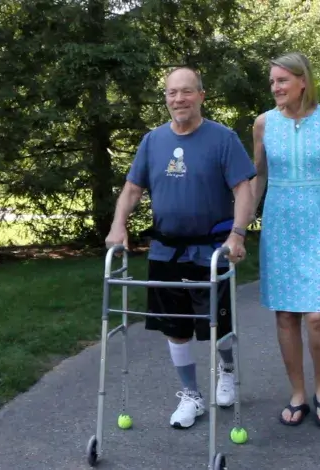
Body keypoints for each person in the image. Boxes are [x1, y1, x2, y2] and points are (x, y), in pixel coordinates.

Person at [104, 66, 258, 429]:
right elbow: (131, 189)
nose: (179, 99)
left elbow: (243, 190)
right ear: (166, 98)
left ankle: (227, 369)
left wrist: (237, 234)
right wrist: (117, 225)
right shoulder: (152, 140)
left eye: (186, 92)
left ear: (201, 96)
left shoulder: (222, 138)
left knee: (216, 326)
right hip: (165, 250)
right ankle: (191, 394)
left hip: (210, 251)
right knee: (175, 326)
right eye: (172, 93)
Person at [248, 52, 320, 429]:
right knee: (285, 315)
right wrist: (239, 226)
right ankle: (297, 392)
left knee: (317, 317)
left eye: (282, 80)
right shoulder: (263, 123)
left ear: (302, 82)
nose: (275, 88)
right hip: (280, 223)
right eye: (272, 82)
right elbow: (258, 177)